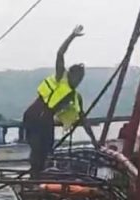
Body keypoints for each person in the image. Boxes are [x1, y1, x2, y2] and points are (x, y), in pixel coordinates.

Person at [22, 25, 97, 178]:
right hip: (34, 115)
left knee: (47, 150)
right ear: (71, 74)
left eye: (81, 79)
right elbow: (60, 53)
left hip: (46, 120)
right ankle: (33, 179)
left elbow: (84, 119)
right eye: (77, 77)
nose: (79, 81)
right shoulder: (60, 77)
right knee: (36, 150)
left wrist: (95, 141)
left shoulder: (76, 97)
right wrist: (72, 36)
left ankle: (39, 178)